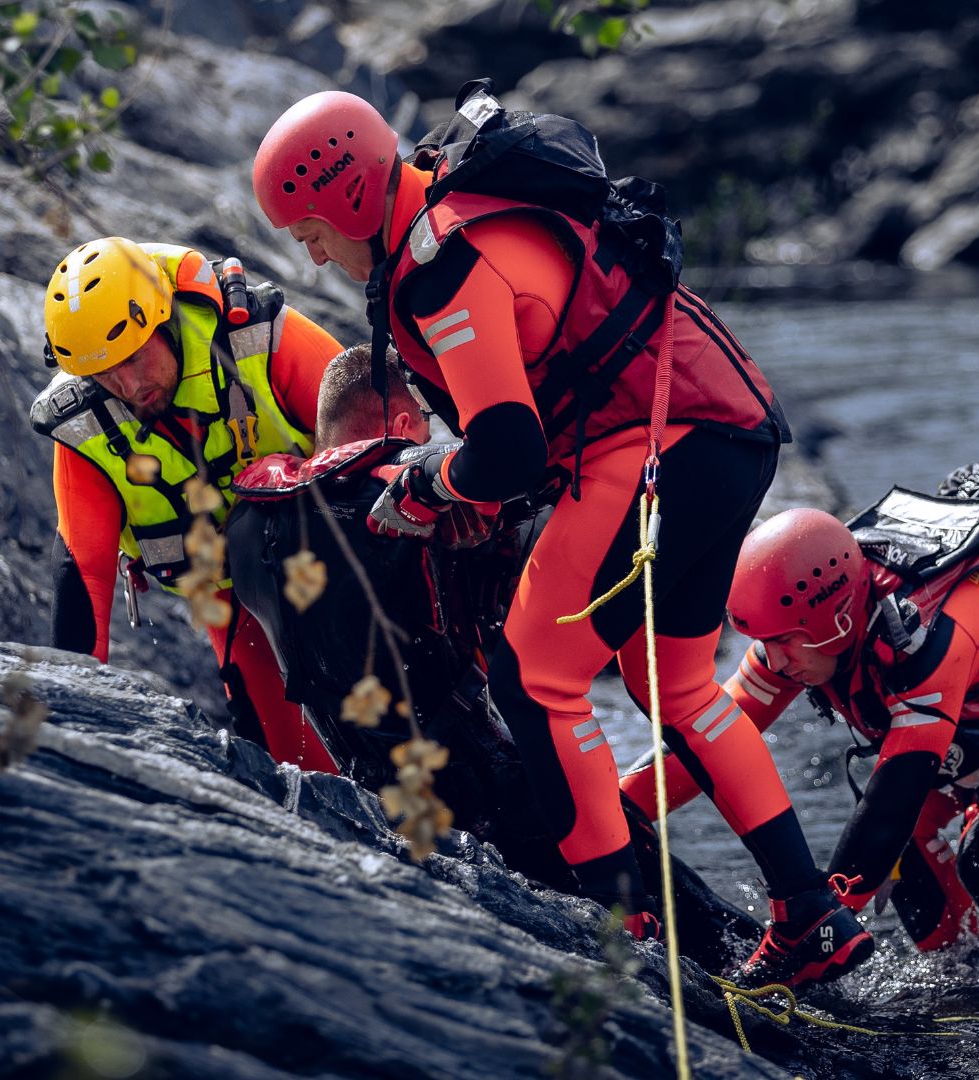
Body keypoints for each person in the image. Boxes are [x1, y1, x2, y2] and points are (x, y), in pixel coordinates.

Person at [250, 89, 872, 986]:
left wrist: (428, 486)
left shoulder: (442, 267)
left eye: (307, 227)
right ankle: (810, 912)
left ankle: (629, 928)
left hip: (662, 447)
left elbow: (506, 446)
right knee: (677, 682)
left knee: (534, 677)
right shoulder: (451, 211)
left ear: (344, 194)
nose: (308, 249)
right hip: (726, 434)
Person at [623, 466, 979, 975]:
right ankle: (963, 974)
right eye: (763, 644)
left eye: (784, 645)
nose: (773, 661)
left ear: (837, 619)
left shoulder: (929, 635)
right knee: (910, 843)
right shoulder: (806, 624)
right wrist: (617, 811)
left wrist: (813, 925)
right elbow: (713, 737)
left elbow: (899, 784)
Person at [32, 235, 339, 773]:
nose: (127, 385)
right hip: (235, 609)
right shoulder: (84, 425)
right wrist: (70, 734)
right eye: (105, 373)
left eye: (134, 357)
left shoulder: (259, 338)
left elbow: (384, 437)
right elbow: (84, 576)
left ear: (163, 320)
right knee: (298, 766)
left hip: (346, 561)